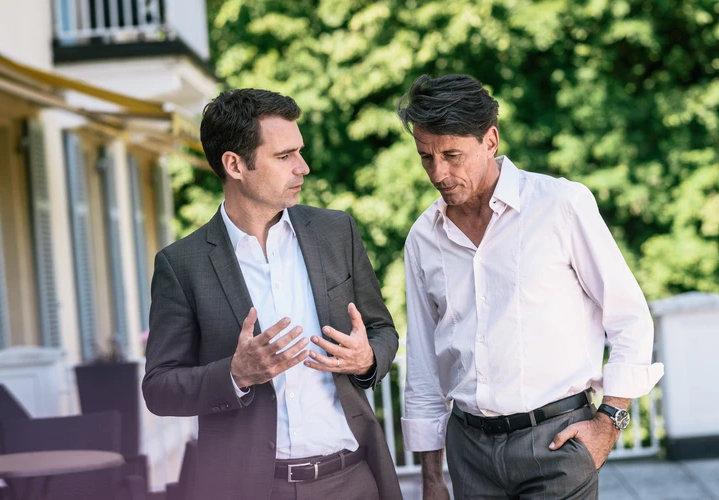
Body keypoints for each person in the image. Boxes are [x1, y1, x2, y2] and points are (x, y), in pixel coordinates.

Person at [397, 74, 664, 500]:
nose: (438, 173)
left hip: (558, 444)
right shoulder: (423, 237)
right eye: (426, 157)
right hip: (469, 452)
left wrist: (609, 423)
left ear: (490, 140)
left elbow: (629, 318)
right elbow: (424, 364)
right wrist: (431, 476)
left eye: (452, 155)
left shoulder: (561, 205)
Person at [142, 88, 402, 500]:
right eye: (284, 156)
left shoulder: (337, 232)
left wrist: (367, 358)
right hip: (253, 488)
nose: (303, 167)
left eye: (299, 152)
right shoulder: (182, 265)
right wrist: (236, 374)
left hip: (352, 479)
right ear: (235, 165)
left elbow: (381, 330)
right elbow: (159, 388)